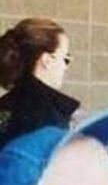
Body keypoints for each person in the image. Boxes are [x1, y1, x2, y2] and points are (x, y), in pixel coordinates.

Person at [0, 18, 78, 148]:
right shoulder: (48, 117)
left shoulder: (4, 105)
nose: (65, 67)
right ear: (47, 60)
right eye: (66, 59)